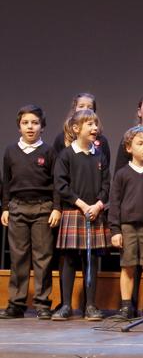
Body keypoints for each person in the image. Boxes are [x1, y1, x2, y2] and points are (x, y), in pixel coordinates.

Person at [0, 105, 61, 320]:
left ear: (42, 127)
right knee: (18, 258)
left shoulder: (49, 152)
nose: (30, 127)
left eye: (35, 123)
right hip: (17, 207)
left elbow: (56, 183)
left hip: (43, 207)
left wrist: (56, 208)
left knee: (43, 257)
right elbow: (6, 182)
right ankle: (16, 304)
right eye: (25, 123)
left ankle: (43, 304)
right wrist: (5, 207)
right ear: (19, 126)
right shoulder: (10, 151)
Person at [52, 109, 111, 321]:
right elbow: (61, 184)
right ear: (76, 129)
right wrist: (82, 205)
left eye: (96, 124)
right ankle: (66, 305)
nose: (95, 128)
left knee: (91, 260)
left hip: (94, 212)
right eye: (90, 124)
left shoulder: (100, 156)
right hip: (73, 212)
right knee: (68, 259)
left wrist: (98, 205)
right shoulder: (66, 155)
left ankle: (91, 305)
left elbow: (106, 185)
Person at [109, 127, 143, 319]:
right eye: (140, 144)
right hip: (127, 227)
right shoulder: (122, 174)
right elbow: (114, 203)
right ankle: (126, 307)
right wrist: (115, 229)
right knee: (128, 267)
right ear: (129, 148)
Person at [53, 93, 111, 163]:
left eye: (90, 108)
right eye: (81, 106)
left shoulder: (102, 140)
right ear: (75, 109)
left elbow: (105, 167)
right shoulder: (62, 138)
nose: (85, 110)